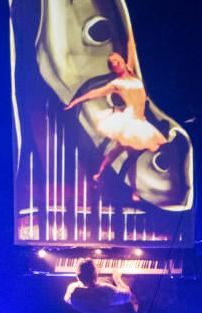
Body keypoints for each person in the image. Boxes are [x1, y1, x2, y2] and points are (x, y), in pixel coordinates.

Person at [64, 39, 168, 202]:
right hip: (130, 122)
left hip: (140, 121)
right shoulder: (116, 83)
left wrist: (130, 32)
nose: (117, 62)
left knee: (119, 151)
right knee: (128, 154)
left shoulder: (132, 72)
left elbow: (131, 47)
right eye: (114, 63)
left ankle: (99, 174)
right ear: (113, 68)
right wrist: (75, 101)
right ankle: (131, 189)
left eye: (118, 59)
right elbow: (94, 93)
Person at [64, 259, 138, 313]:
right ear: (96, 274)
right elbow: (128, 295)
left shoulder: (71, 289)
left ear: (78, 276)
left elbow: (67, 299)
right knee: (130, 281)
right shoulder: (106, 290)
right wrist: (116, 277)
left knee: (106, 280)